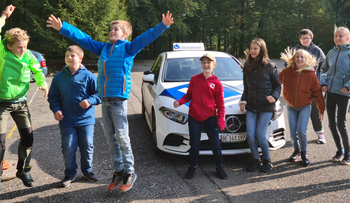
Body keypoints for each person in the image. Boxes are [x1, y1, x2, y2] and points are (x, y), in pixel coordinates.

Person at [47, 11, 174, 192]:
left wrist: (163, 25)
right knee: (110, 138)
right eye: (111, 29)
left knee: (122, 137)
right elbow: (83, 39)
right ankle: (119, 170)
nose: (112, 31)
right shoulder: (103, 49)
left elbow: (147, 37)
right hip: (105, 100)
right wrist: (63, 28)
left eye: (116, 29)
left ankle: (130, 171)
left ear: (124, 34)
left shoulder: (129, 48)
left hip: (119, 100)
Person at [0, 5, 48, 195]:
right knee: (0, 141)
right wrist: (3, 16)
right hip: (1, 103)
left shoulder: (28, 55)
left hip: (21, 102)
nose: (23, 50)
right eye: (19, 47)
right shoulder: (1, 52)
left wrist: (42, 83)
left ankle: (23, 171)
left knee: (28, 136)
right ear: (9, 46)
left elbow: (37, 69)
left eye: (25, 47)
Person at [48, 45, 101, 188]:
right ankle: (70, 173)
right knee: (68, 147)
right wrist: (56, 109)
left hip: (85, 119)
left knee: (87, 146)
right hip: (67, 120)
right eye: (67, 56)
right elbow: (53, 97)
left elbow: (99, 94)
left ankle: (87, 171)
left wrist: (90, 101)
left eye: (72, 55)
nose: (69, 58)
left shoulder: (89, 76)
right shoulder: (59, 77)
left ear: (80, 58)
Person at [173, 53, 227, 180]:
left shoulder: (217, 84)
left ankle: (219, 167)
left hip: (210, 117)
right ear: (201, 65)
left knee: (215, 144)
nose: (206, 65)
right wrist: (179, 101)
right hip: (195, 116)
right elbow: (188, 95)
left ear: (214, 64)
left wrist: (221, 120)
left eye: (208, 62)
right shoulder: (194, 79)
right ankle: (192, 167)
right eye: (203, 62)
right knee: (195, 145)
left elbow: (220, 105)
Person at [320, 27, 350, 165]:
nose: (338, 38)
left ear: (348, 38)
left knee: (341, 123)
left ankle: (348, 152)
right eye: (336, 36)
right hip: (330, 92)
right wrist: (323, 83)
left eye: (341, 36)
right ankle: (340, 150)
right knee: (331, 124)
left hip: (344, 93)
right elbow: (323, 69)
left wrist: (347, 86)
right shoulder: (331, 52)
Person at [239, 38, 281, 173]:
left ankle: (267, 161)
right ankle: (255, 159)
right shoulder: (247, 66)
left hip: (266, 106)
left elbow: (277, 86)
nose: (252, 51)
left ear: (261, 50)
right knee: (250, 135)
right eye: (251, 48)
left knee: (260, 135)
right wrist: (243, 101)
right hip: (252, 106)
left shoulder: (270, 66)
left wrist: (274, 97)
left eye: (255, 48)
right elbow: (246, 88)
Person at [279, 48, 325, 167]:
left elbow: (317, 93)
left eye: (302, 57)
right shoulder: (286, 71)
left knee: (301, 131)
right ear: (294, 59)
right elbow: (275, 82)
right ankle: (296, 151)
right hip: (290, 107)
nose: (299, 59)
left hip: (305, 106)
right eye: (297, 57)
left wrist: (321, 109)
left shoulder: (311, 74)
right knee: (293, 133)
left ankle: (304, 153)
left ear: (306, 60)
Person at [294, 29, 327, 144]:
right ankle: (301, 135)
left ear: (311, 39)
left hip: (314, 86)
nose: (305, 40)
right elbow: (287, 66)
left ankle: (320, 133)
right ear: (300, 39)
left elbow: (324, 68)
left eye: (307, 38)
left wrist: (322, 83)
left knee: (315, 110)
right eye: (303, 38)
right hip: (299, 87)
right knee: (300, 110)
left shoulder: (317, 50)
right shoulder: (295, 50)